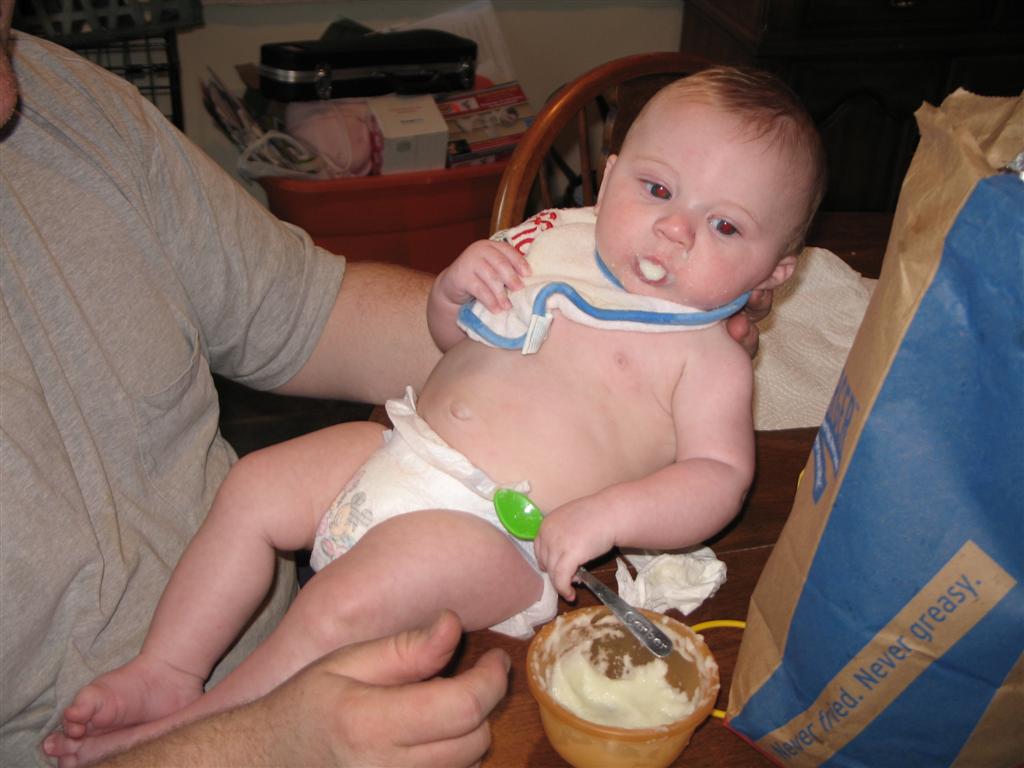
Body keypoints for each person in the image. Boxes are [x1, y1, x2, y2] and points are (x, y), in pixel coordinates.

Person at [45, 64, 823, 766]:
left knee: (342, 604)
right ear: (611, 175)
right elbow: (453, 343)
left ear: (775, 272)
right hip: (400, 448)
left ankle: (209, 723)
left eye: (726, 226)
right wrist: (451, 292)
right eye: (657, 189)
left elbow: (719, 476)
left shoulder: (708, 356)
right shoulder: (553, 245)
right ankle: (167, 668)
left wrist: (607, 516)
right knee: (253, 486)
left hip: (496, 533)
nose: (676, 229)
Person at [0, 12, 515, 767]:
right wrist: (268, 744)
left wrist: (561, 352)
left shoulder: (66, 98)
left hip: (291, 658)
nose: (7, 95)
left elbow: (309, 310)